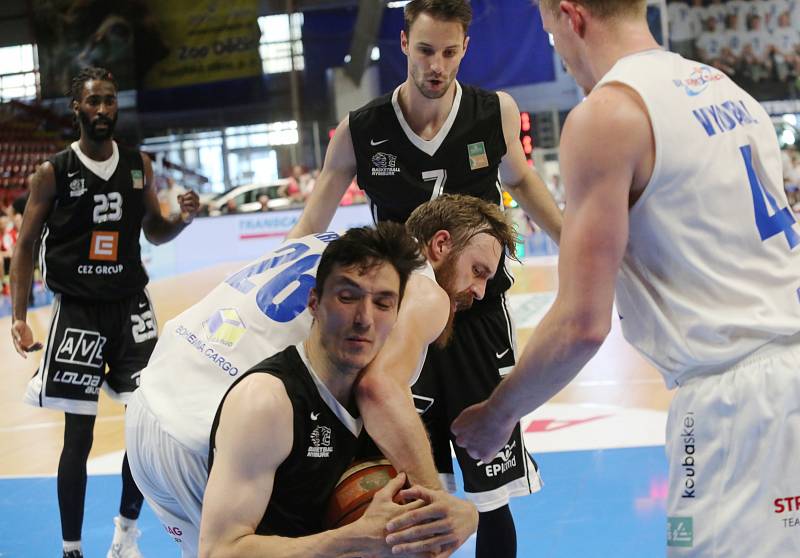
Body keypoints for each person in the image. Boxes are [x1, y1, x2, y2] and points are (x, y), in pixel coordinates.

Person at [451, 1, 800, 556]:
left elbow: (581, 325)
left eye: (549, 34)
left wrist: (498, 416)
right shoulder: (730, 92)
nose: (559, 52)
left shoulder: (607, 116)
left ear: (572, 16)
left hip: (736, 405)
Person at [287, 2, 561, 555]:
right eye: (425, 50)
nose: (437, 65)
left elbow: (523, 180)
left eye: (450, 52)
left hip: (477, 321)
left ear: (465, 49)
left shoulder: (493, 111)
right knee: (401, 492)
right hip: (398, 330)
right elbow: (308, 224)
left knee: (490, 495)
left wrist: (578, 241)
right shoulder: (361, 130)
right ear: (405, 43)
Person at [126, 194, 514, 557]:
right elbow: (378, 389)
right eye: (477, 271)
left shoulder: (333, 242)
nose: (479, 291)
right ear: (441, 245)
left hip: (149, 405)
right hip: (208, 426)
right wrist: (435, 505)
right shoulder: (425, 288)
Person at [9, 66, 200, 558]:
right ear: (76, 108)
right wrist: (19, 314)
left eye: (109, 102)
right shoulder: (53, 172)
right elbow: (27, 244)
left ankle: (125, 535)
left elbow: (154, 231)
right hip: (77, 312)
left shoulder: (140, 165)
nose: (101, 111)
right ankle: (72, 548)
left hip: (131, 307)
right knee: (79, 436)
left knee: (145, 425)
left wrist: (182, 218)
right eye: (92, 102)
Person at [197, 223, 454, 557]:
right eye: (348, 297)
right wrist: (353, 537)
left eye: (383, 303)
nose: (364, 318)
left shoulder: (384, 400)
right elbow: (218, 551)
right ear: (314, 302)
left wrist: (465, 515)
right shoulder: (266, 403)